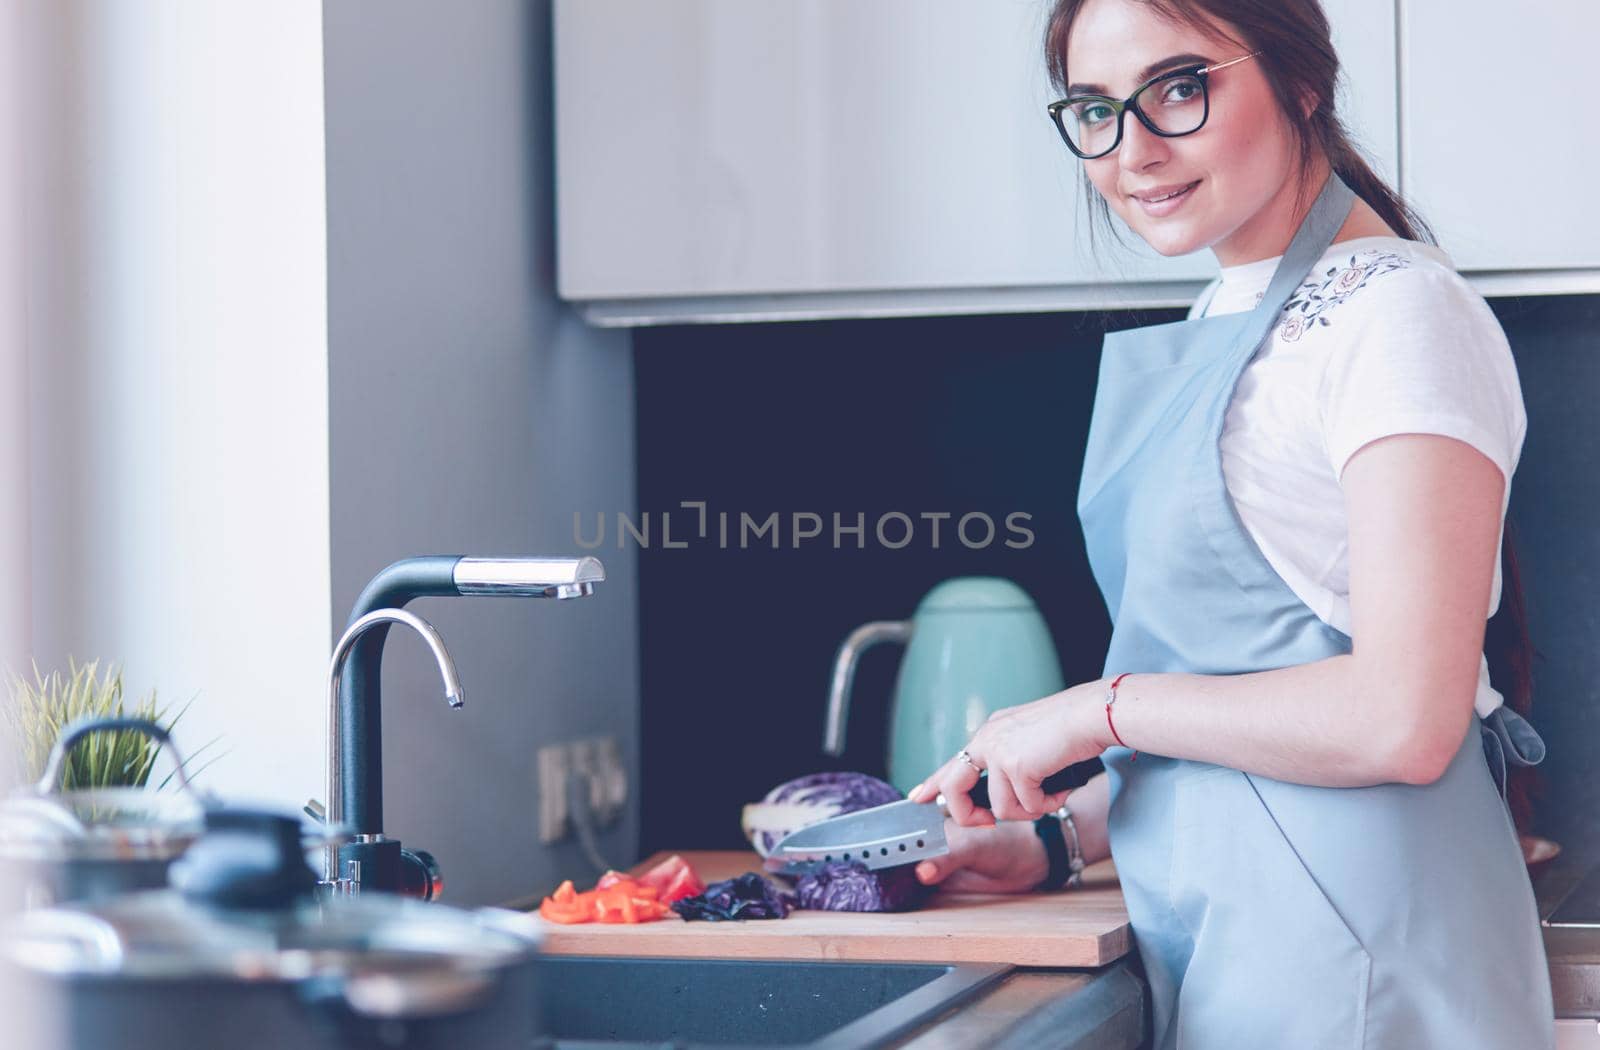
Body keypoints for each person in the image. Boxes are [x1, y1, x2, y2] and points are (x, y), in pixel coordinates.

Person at [906, 1, 1557, 1047]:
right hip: (1238, 945)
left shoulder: (1394, 315)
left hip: (1361, 958)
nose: (1134, 153)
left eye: (1178, 89)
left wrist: (1094, 712)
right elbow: (1234, 730)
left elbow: (1401, 716)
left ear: (1303, 82)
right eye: (1094, 110)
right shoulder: (1229, 315)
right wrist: (1056, 843)